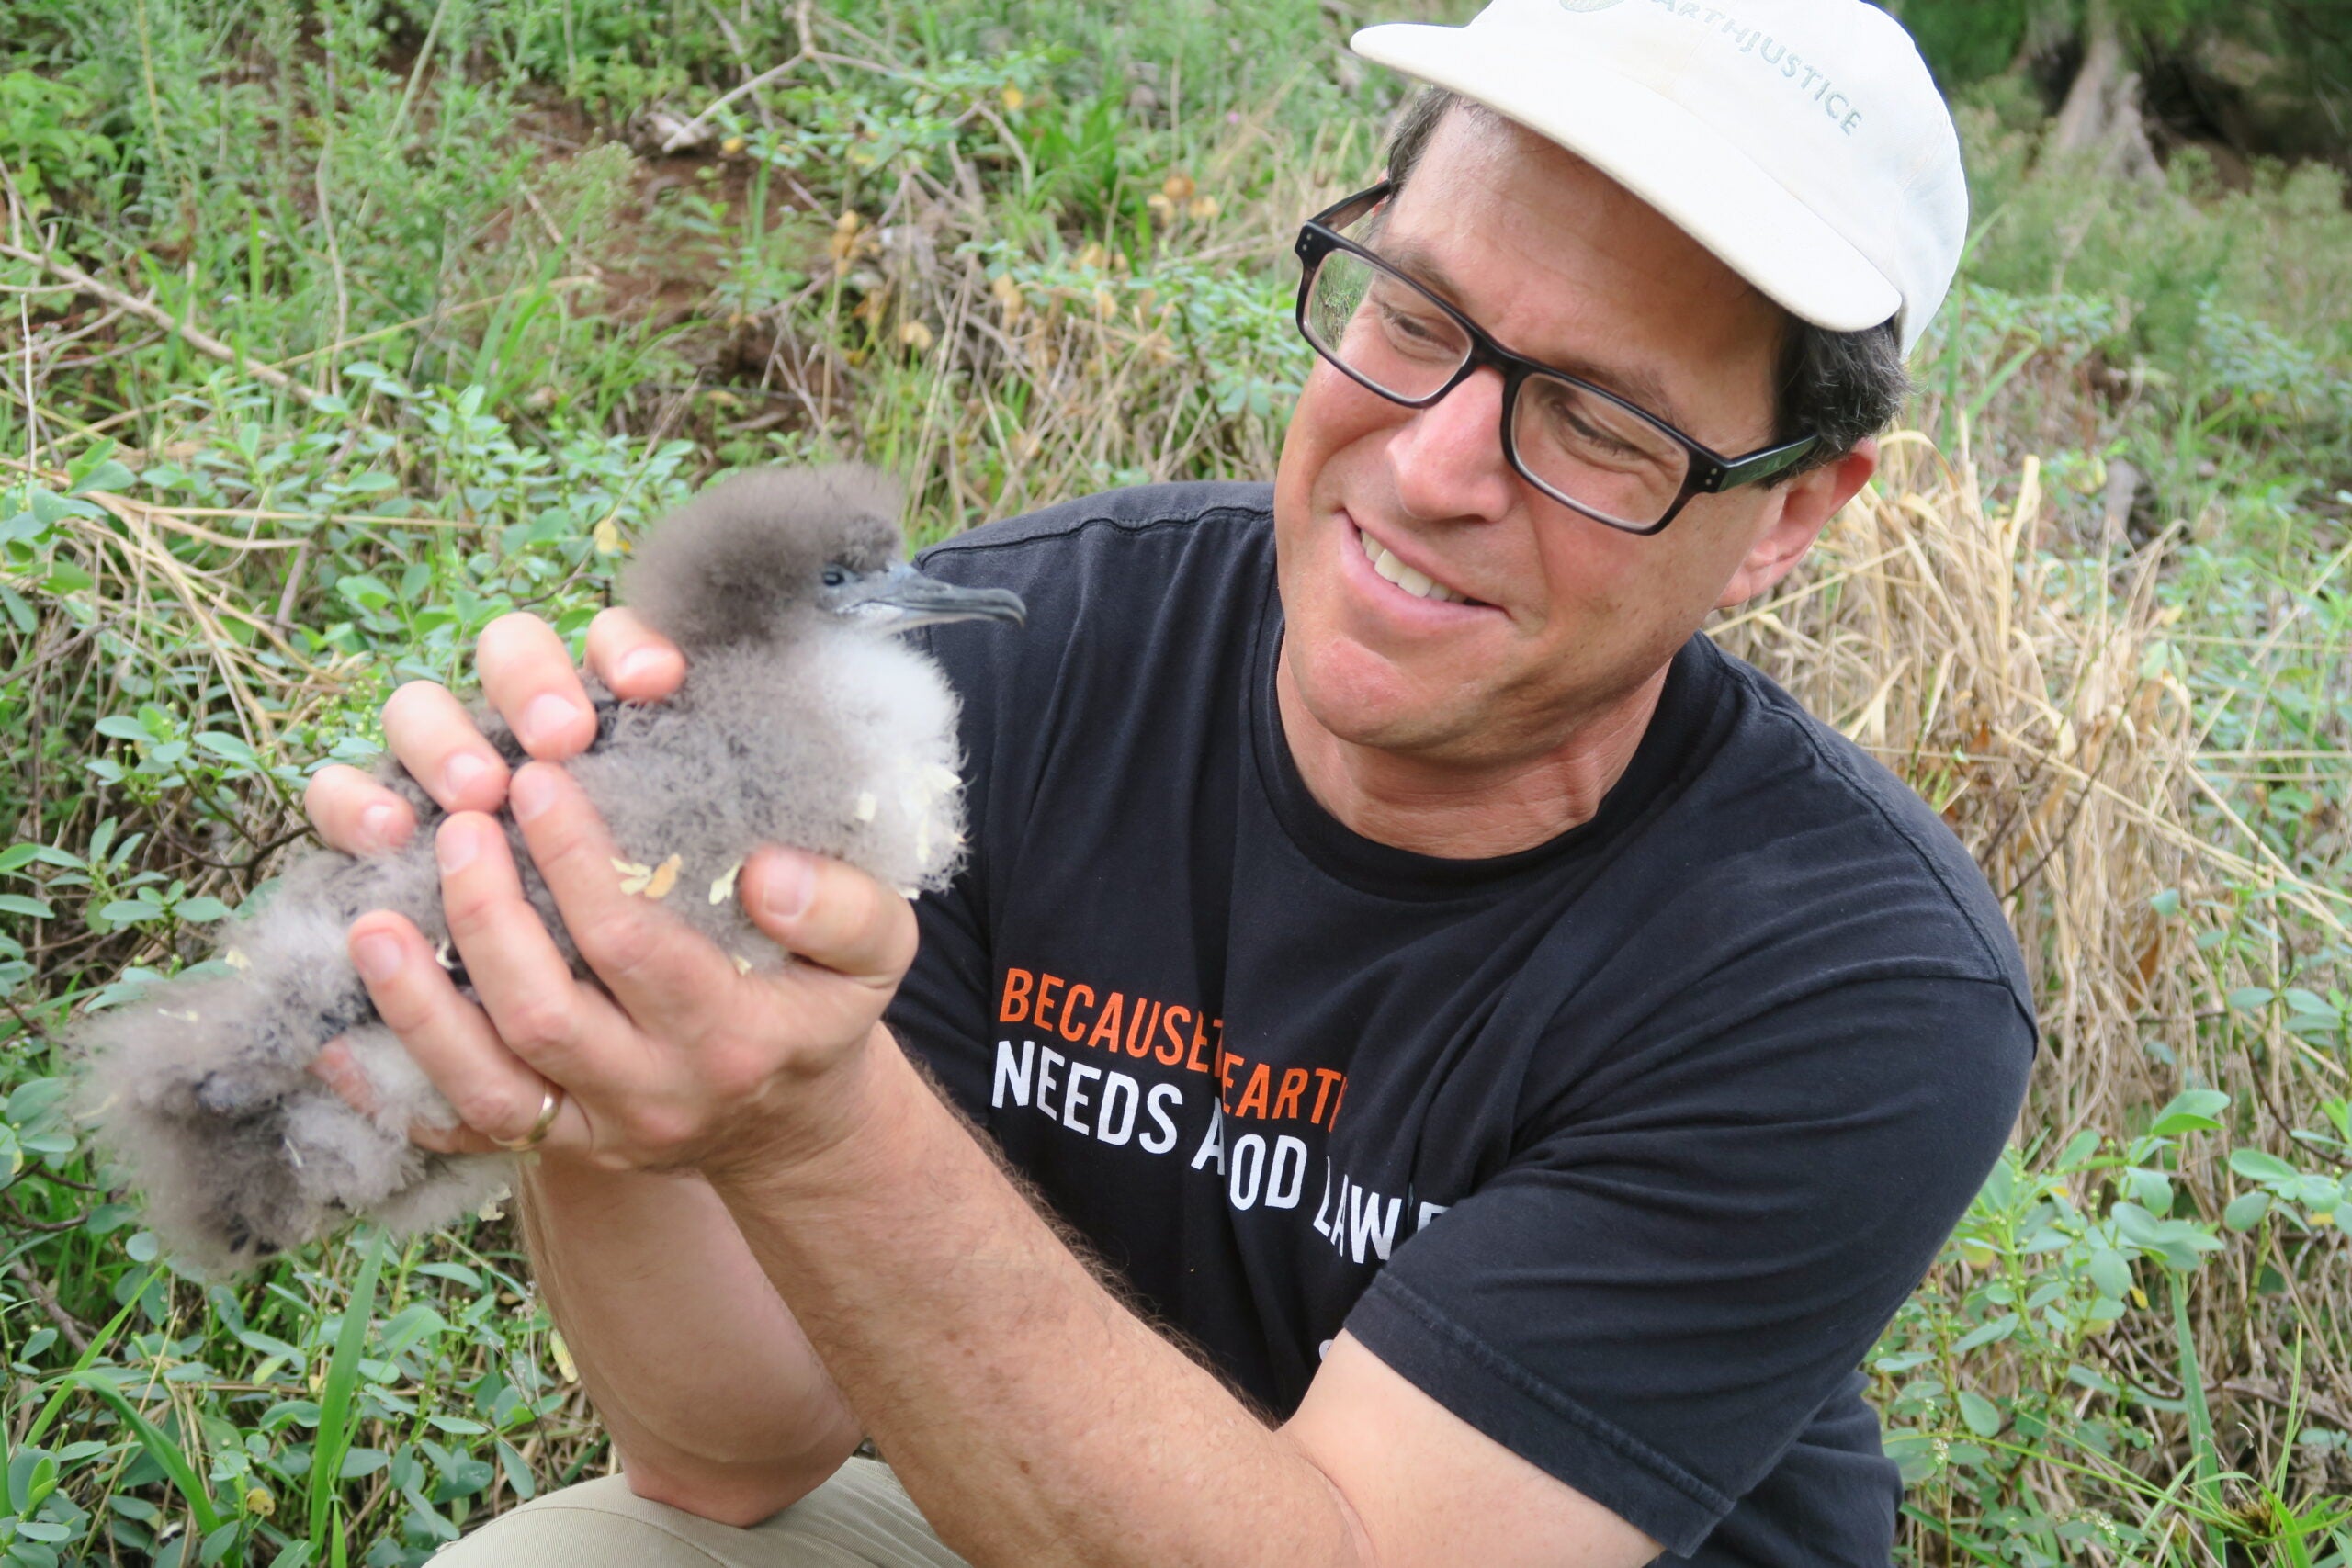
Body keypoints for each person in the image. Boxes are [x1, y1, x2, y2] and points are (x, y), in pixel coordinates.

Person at [302, 2, 2036, 1562]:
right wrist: (591, 1013)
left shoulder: (1853, 981)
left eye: (1598, 423)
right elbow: (731, 1457)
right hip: (1030, 1487)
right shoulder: (1016, 657)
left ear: (1791, 514)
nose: (1432, 468)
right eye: (1416, 315)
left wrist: (814, 1124)